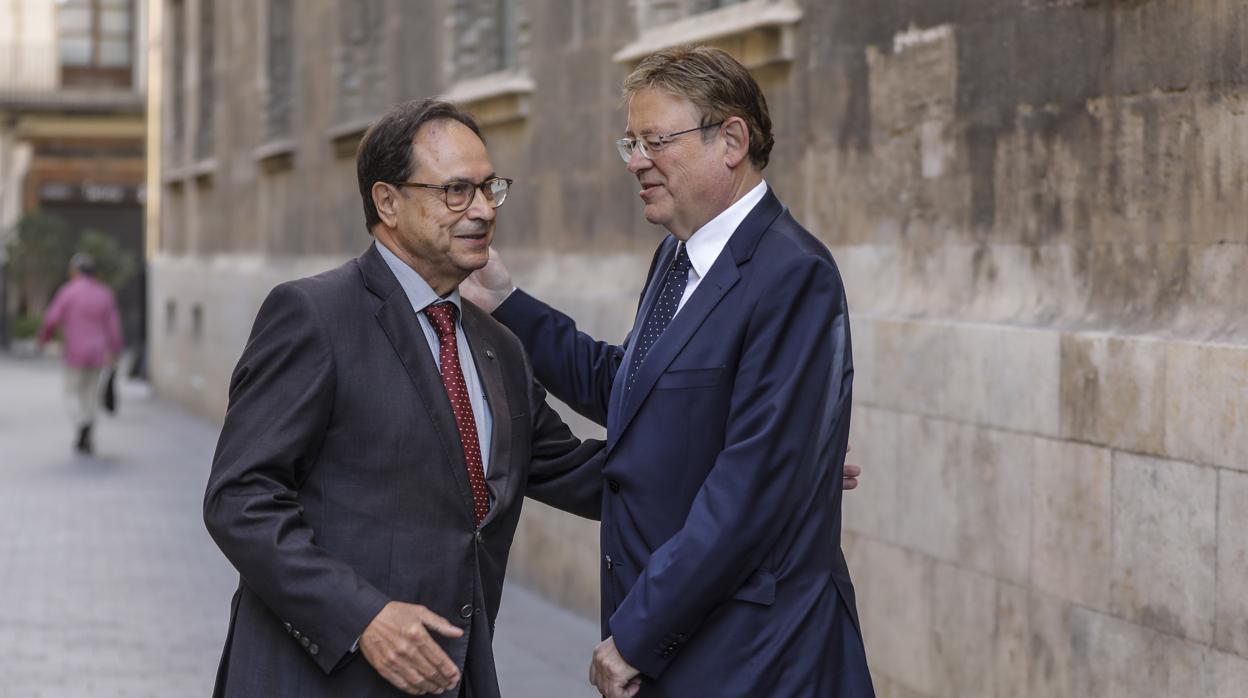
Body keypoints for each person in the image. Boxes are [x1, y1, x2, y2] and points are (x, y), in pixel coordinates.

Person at [463, 45, 874, 697]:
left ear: (731, 139)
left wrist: (638, 633)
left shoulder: (793, 274)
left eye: (655, 140)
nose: (636, 161)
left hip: (755, 656)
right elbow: (636, 393)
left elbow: (749, 489)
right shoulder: (677, 259)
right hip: (691, 644)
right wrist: (507, 304)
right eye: (630, 142)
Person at [202, 99, 604, 698]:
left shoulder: (498, 345)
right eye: (456, 191)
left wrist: (737, 459)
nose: (484, 210)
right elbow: (240, 498)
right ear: (387, 201)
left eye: (490, 187)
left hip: (450, 677)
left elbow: (580, 473)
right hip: (320, 678)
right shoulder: (314, 315)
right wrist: (361, 616)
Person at [38, 253, 123, 455]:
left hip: (74, 351)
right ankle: (87, 429)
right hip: (98, 352)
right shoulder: (104, 293)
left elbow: (51, 319)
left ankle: (81, 422)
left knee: (71, 392)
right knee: (90, 393)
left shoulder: (67, 292)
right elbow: (113, 326)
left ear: (74, 271)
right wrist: (115, 349)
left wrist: (44, 339)